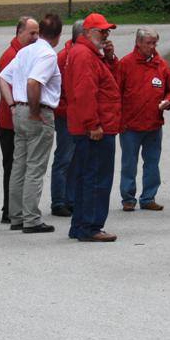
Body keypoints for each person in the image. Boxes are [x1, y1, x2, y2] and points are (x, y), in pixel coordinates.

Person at [0, 13, 63, 233]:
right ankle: (31, 218)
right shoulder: (48, 54)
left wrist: (13, 106)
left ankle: (16, 215)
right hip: (38, 111)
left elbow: (2, 77)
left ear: (41, 32)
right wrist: (35, 112)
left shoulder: (24, 51)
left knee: (19, 165)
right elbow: (34, 83)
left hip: (19, 110)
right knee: (35, 167)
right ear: (58, 35)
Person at [65, 13, 121, 242]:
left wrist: (108, 57)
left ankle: (80, 224)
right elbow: (85, 93)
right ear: (88, 32)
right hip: (96, 128)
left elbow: (106, 82)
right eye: (102, 31)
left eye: (107, 31)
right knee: (97, 178)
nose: (106, 35)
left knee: (86, 176)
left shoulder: (88, 54)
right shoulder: (85, 56)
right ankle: (91, 226)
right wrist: (94, 124)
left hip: (91, 126)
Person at [116, 27, 170, 211]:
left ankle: (148, 197)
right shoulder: (126, 64)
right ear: (138, 43)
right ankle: (128, 198)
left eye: (154, 43)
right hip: (130, 125)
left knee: (152, 163)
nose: (152, 47)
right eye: (148, 43)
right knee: (129, 163)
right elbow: (115, 92)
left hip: (153, 124)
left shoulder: (162, 65)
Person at [0, 17, 40, 223]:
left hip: (14, 118)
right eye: (31, 33)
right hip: (11, 120)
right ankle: (10, 209)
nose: (36, 37)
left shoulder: (21, 53)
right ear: (19, 32)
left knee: (17, 165)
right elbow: (11, 86)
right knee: (14, 166)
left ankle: (15, 208)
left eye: (37, 33)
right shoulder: (11, 56)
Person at [51, 20, 84, 217]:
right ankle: (59, 200)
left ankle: (70, 198)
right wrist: (66, 109)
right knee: (64, 157)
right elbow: (59, 88)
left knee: (75, 158)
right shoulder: (64, 57)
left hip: (77, 114)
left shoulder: (78, 54)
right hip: (66, 114)